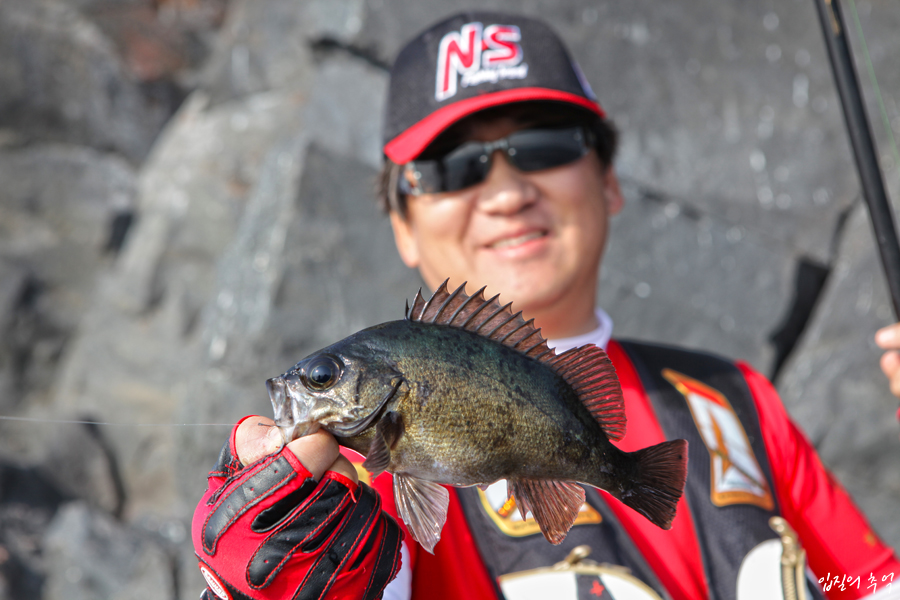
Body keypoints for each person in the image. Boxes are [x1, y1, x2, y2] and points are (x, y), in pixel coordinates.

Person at [191, 11, 900, 600]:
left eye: (544, 146)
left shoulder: (739, 401)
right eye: (450, 167)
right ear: (400, 224)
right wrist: (275, 573)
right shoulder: (358, 487)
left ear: (610, 180)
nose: (506, 193)